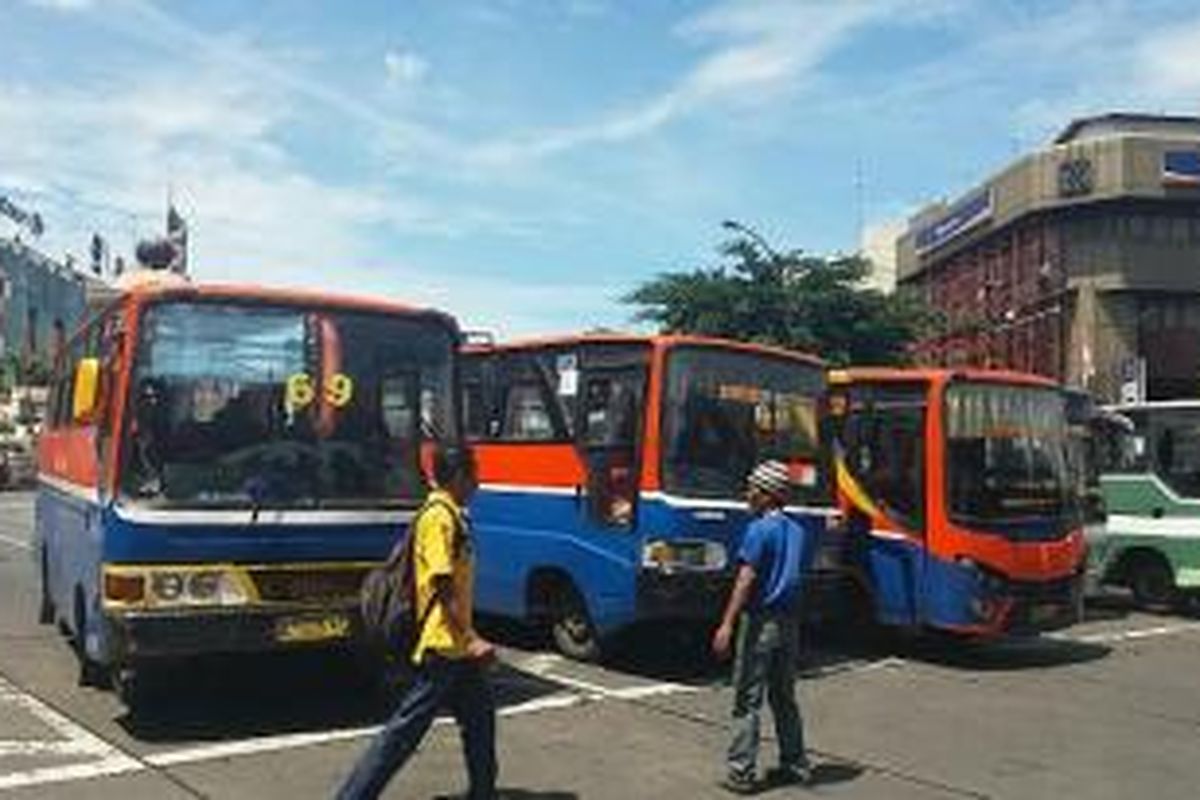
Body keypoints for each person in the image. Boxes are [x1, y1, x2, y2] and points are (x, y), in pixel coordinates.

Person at [336, 445, 497, 800]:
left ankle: (484, 791)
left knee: (480, 718)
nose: (478, 483)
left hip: (456, 646)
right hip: (443, 643)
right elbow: (441, 583)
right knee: (404, 731)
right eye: (474, 474)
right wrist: (470, 638)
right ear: (457, 476)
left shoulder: (454, 514)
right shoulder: (438, 517)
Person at [712, 460, 816, 794]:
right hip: (791, 622)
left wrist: (727, 624)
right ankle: (795, 763)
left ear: (766, 495)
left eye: (752, 489)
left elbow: (746, 579)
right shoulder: (798, 531)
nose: (747, 494)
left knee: (747, 699)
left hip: (761, 621)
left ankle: (741, 771)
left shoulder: (759, 530)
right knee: (784, 697)